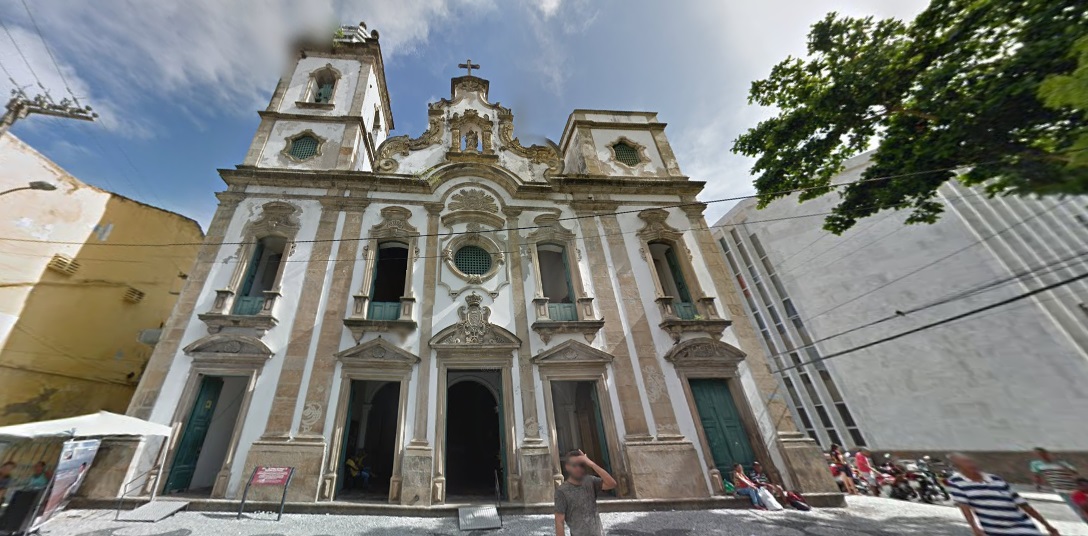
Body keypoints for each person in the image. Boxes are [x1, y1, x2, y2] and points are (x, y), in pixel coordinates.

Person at [946, 453, 1060, 536]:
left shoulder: (995, 479)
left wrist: (1047, 525)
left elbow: (1023, 504)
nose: (972, 465)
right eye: (966, 463)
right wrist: (975, 528)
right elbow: (964, 507)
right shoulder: (956, 482)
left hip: (1023, 525)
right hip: (995, 529)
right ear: (959, 468)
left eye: (971, 461)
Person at [555, 449, 616, 536]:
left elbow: (612, 484)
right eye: (574, 465)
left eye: (581, 464)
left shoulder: (590, 481)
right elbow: (559, 521)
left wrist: (591, 463)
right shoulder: (562, 491)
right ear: (568, 467)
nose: (578, 468)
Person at [1030, 447, 1083, 522]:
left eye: (1042, 454)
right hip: (1061, 490)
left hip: (1074, 489)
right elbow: (1036, 475)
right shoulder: (1036, 464)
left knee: (1083, 507)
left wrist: (1063, 467)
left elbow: (1074, 473)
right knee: (1077, 509)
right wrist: (1037, 485)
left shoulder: (1060, 462)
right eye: (1037, 455)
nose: (1040, 456)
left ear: (1047, 454)